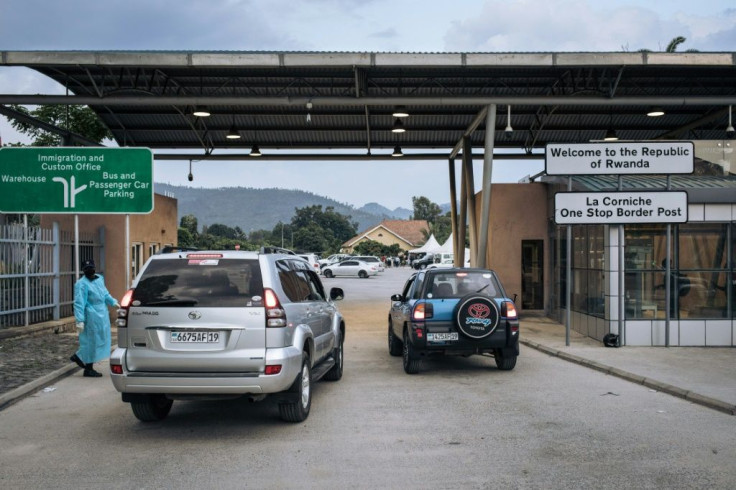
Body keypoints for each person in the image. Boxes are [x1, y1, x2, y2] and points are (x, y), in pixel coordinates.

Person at [69, 259, 119, 377]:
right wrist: (80, 320)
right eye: (87, 269)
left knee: (101, 339)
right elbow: (79, 302)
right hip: (91, 315)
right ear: (83, 271)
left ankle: (81, 358)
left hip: (102, 314)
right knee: (91, 341)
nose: (90, 271)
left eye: (91, 268)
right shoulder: (81, 284)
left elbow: (105, 294)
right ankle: (88, 367)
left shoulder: (99, 279)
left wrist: (113, 302)